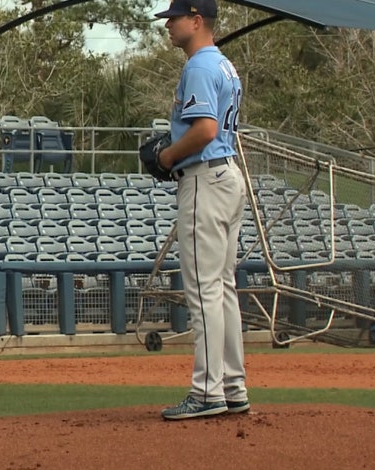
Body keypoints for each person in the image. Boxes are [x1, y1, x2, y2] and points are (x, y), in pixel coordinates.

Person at [153, 0, 250, 420]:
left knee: (204, 289)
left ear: (197, 20)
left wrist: (167, 156)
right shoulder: (225, 65)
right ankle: (232, 385)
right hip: (228, 176)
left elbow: (205, 129)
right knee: (223, 287)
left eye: (174, 18)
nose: (168, 25)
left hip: (205, 180)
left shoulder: (198, 66)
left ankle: (207, 391)